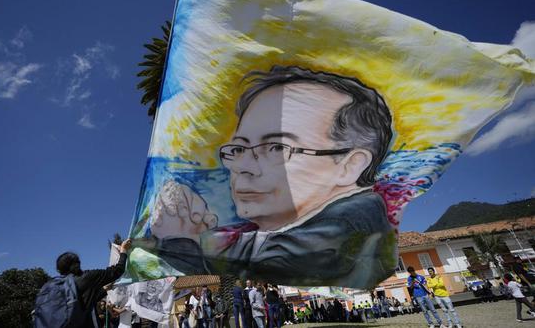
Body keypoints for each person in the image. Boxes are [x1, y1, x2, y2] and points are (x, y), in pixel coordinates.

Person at [149, 65, 396, 287]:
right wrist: (192, 237)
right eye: (238, 149)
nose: (242, 166)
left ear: (350, 166)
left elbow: (282, 262)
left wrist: (178, 240)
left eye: (277, 147)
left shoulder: (347, 230)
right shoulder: (272, 233)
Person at [54, 238, 131, 328]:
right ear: (78, 263)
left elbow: (88, 300)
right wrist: (123, 250)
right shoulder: (86, 277)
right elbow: (117, 271)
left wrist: (104, 289)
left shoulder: (56, 285)